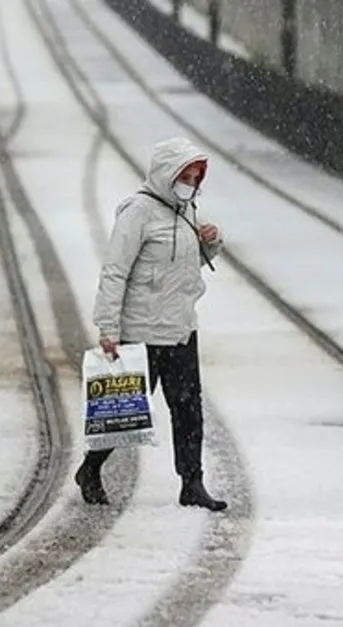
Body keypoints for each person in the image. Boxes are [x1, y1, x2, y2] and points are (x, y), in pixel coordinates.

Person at [77, 136, 227, 512]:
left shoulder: (186, 211)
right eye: (185, 176)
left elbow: (189, 261)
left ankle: (192, 482)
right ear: (165, 174)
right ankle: (90, 469)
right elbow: (114, 272)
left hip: (180, 330)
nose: (190, 184)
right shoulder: (139, 213)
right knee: (124, 416)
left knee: (188, 411)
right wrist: (108, 328)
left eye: (195, 178)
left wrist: (211, 242)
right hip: (140, 333)